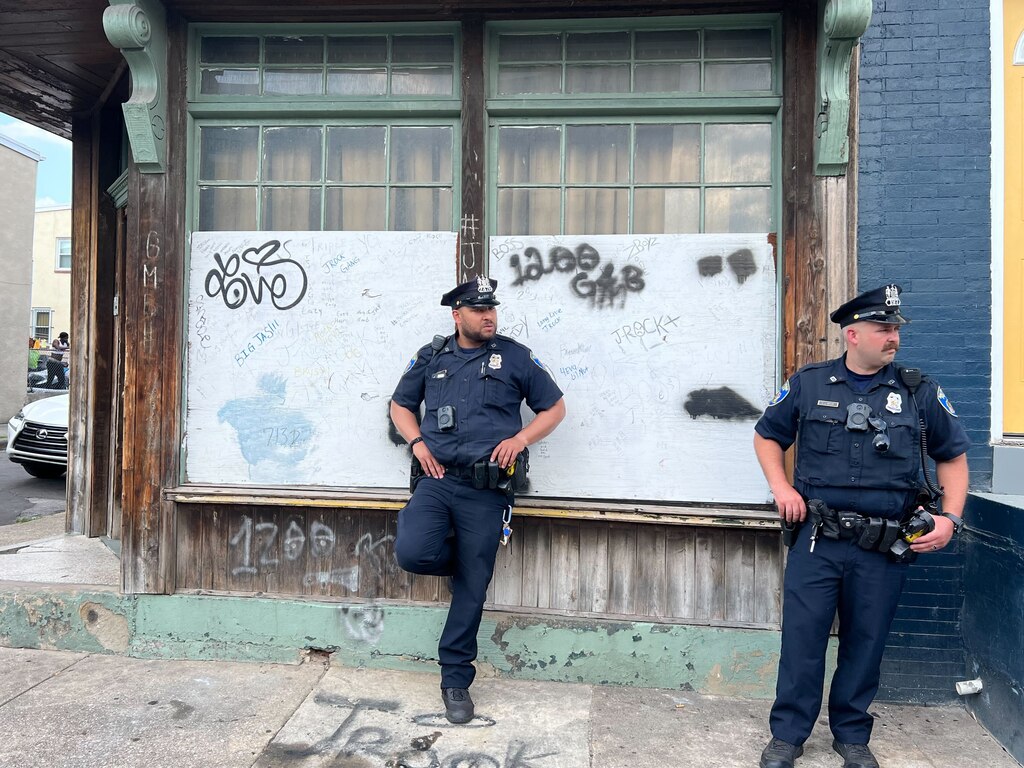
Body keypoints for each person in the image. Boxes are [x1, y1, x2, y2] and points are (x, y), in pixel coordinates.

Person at [753, 285, 969, 768]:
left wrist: (950, 517)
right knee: (802, 640)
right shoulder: (809, 384)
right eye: (883, 329)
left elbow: (952, 455)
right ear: (852, 334)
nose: (893, 337)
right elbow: (767, 435)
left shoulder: (919, 390)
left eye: (895, 330)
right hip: (818, 539)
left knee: (866, 641)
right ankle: (788, 735)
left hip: (884, 542)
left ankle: (851, 734)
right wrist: (781, 488)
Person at [390, 275, 566, 724]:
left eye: (492, 309)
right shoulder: (431, 357)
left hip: (486, 489)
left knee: (472, 587)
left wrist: (522, 438)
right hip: (436, 478)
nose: (488, 316)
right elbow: (400, 405)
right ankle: (469, 564)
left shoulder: (514, 356)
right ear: (457, 315)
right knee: (414, 552)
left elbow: (555, 407)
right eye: (478, 310)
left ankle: (454, 679)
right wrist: (416, 443)